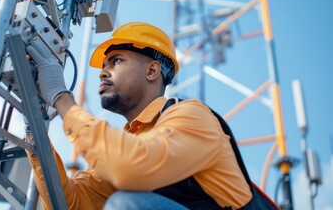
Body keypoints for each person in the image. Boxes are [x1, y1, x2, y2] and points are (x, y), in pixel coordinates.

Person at [25, 22, 253, 209]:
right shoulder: (131, 141)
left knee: (124, 204)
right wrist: (34, 125)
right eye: (104, 65)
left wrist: (61, 99)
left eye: (116, 61)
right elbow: (72, 204)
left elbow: (128, 166)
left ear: (152, 71)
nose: (103, 72)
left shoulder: (192, 115)